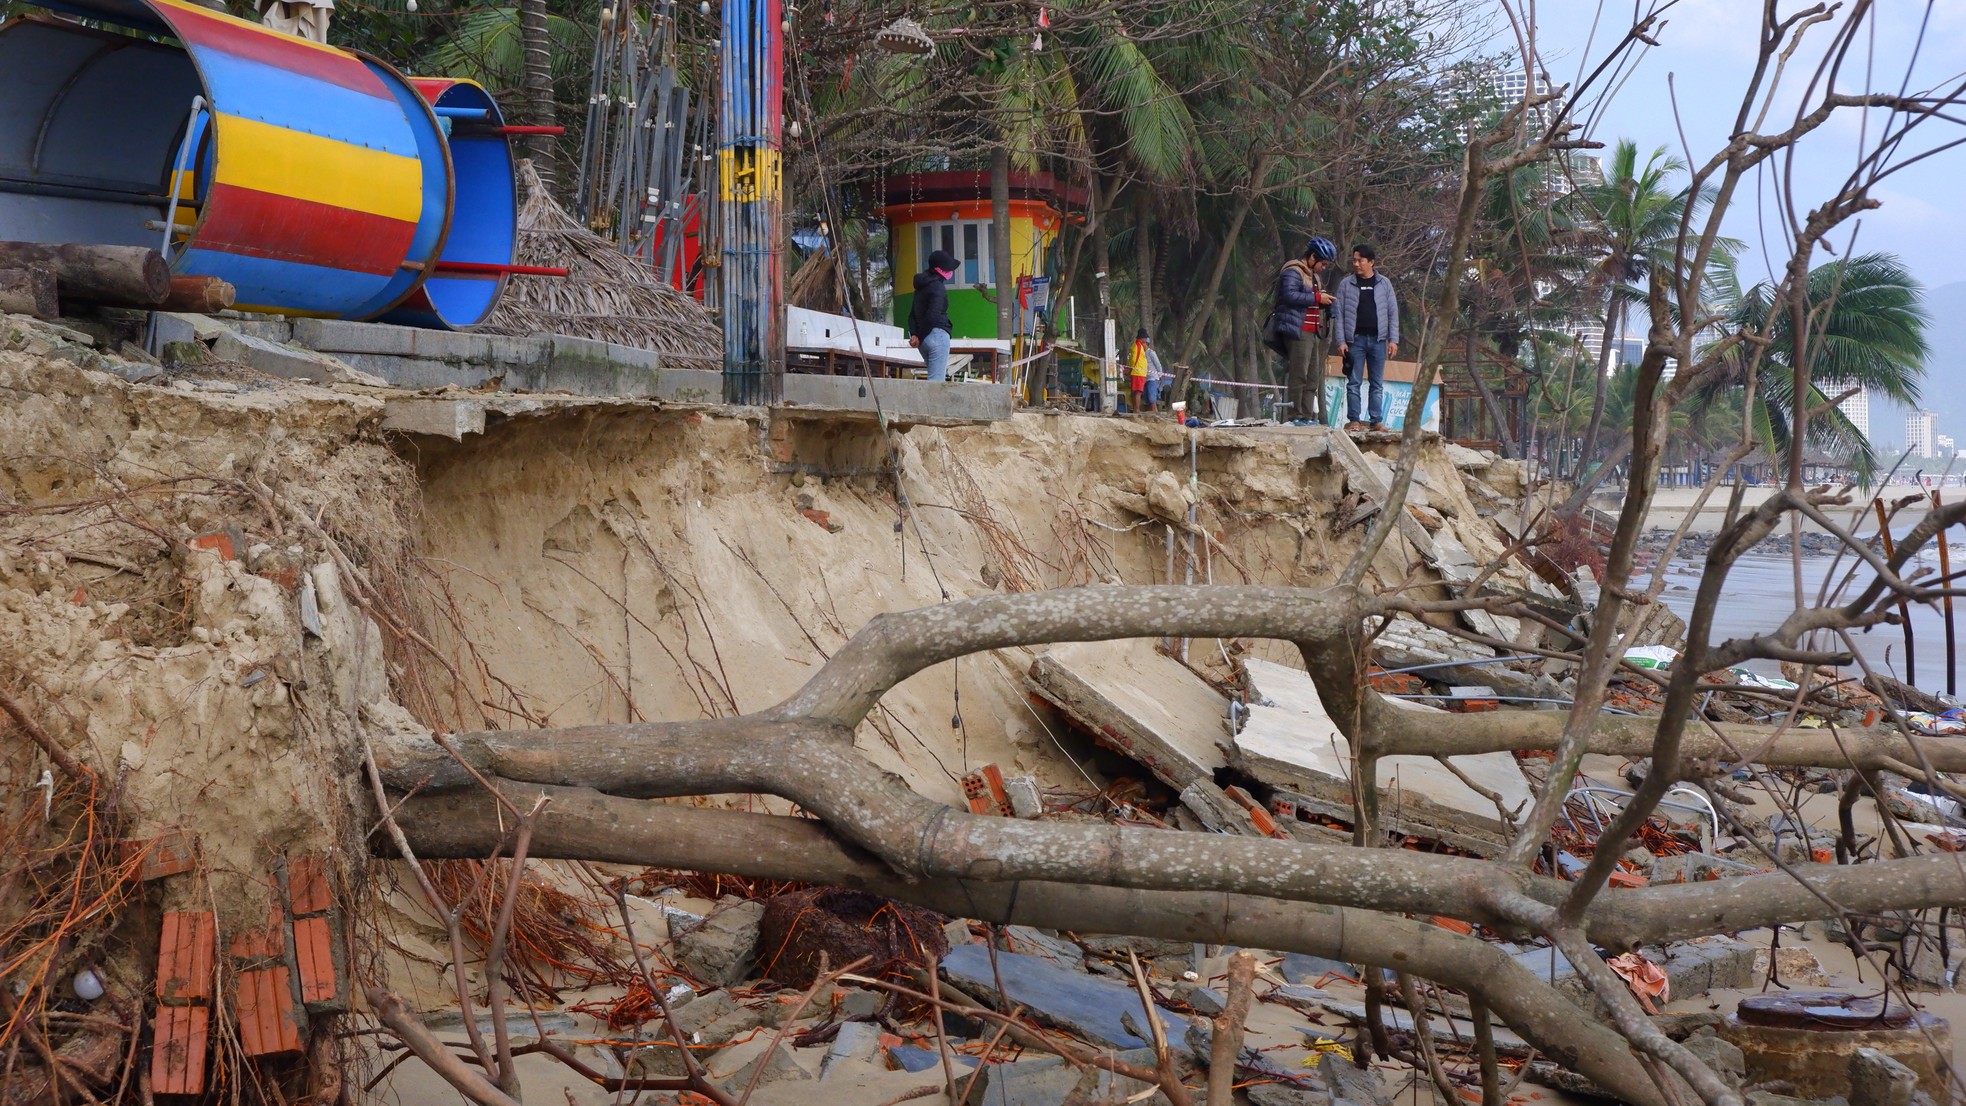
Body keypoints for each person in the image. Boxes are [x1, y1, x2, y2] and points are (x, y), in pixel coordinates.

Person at [1266, 237, 1337, 426]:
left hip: (1313, 332)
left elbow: (1310, 301)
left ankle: (1306, 415)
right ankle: (1294, 415)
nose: (1323, 267)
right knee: (1299, 374)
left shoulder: (1314, 277)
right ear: (1313, 257)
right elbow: (1288, 296)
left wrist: (1326, 305)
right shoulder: (1293, 271)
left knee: (1313, 377)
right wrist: (1317, 298)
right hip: (1298, 330)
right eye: (1323, 263)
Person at [1333, 243, 1400, 432]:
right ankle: (1354, 420)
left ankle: (1376, 421)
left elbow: (1393, 313)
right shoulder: (1346, 284)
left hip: (1379, 340)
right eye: (1353, 260)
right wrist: (1341, 341)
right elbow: (1339, 315)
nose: (1356, 264)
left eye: (1360, 260)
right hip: (1355, 340)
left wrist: (1393, 340)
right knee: (1353, 382)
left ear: (1371, 262)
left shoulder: (1384, 283)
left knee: (1376, 383)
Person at [908, 249, 956, 381]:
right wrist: (920, 335)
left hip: (923, 341)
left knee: (932, 380)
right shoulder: (938, 287)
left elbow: (912, 314)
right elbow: (933, 315)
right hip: (937, 336)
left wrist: (915, 335)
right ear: (941, 270)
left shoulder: (920, 286)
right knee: (936, 383)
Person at [1128, 328, 1167, 412]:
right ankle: (1151, 412)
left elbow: (1158, 365)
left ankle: (1154, 412)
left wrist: (1160, 377)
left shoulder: (1151, 353)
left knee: (1151, 397)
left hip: (1152, 378)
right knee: (1147, 398)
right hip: (1144, 377)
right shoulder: (1139, 350)